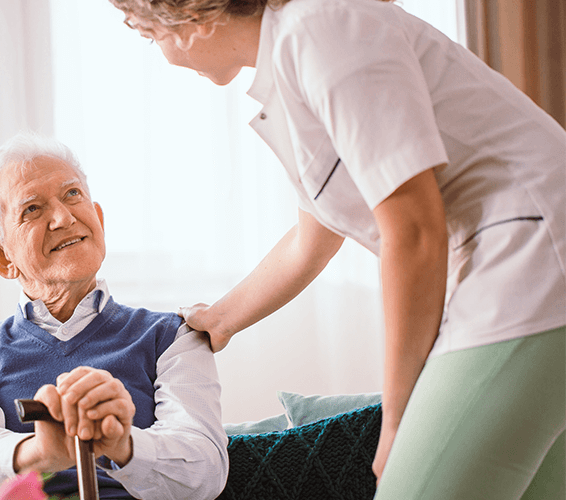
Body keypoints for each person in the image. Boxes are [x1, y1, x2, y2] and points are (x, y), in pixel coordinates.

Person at [105, 0, 566, 498]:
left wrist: (399, 416)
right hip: (516, 273)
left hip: (532, 266)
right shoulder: (295, 62)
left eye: (152, 36)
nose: (163, 54)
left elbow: (413, 232)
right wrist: (221, 319)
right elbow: (312, 240)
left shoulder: (322, 31)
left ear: (188, 19)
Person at [0, 132, 229, 500]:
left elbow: (206, 472)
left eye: (72, 195)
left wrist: (121, 444)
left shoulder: (175, 337)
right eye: (32, 208)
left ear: (98, 218)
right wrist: (42, 453)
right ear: (3, 258)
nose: (64, 217)